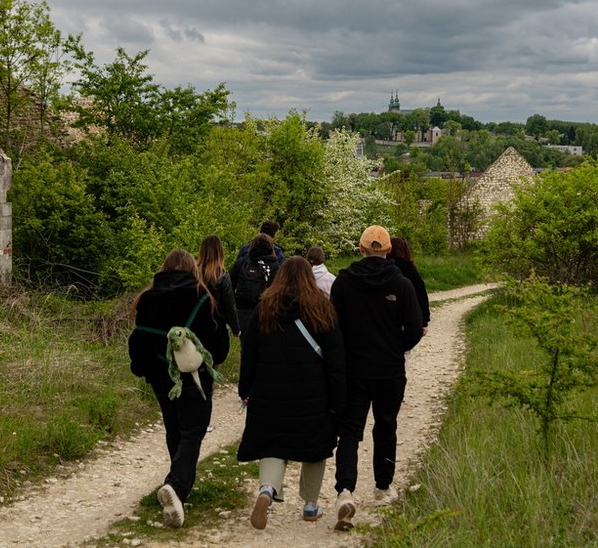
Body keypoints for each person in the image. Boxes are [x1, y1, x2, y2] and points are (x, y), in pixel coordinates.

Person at [237, 257, 347, 529]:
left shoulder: (265, 308)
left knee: (272, 444)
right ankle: (310, 505)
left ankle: (267, 491)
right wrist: (338, 400)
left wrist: (245, 388)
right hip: (313, 394)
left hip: (268, 392)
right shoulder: (323, 308)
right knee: (315, 447)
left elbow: (249, 353)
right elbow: (336, 359)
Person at [329, 226, 423, 531]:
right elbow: (414, 329)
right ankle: (382, 488)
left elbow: (334, 326)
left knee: (350, 431)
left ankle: (345, 490)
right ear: (387, 251)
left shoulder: (343, 282)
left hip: (354, 369)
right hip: (389, 370)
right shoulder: (402, 284)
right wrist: (396, 347)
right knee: (386, 427)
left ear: (361, 250)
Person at [128, 249, 230, 529]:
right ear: (191, 269)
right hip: (195, 377)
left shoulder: (148, 298)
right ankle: (177, 485)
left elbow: (139, 340)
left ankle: (177, 485)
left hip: (161, 377)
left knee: (174, 428)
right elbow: (219, 342)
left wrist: (143, 368)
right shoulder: (201, 296)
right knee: (193, 430)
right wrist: (212, 362)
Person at [230, 233, 281, 334]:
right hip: (264, 312)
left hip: (241, 311)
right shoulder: (275, 266)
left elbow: (230, 286)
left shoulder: (242, 262)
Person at [197, 235, 241, 336]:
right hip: (216, 325)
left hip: (196, 324)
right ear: (220, 252)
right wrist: (236, 329)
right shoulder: (222, 275)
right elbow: (230, 306)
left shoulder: (193, 273)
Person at [388, 237, 431, 336]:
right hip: (406, 319)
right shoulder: (410, 270)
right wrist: (424, 321)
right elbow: (421, 295)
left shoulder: (382, 268)